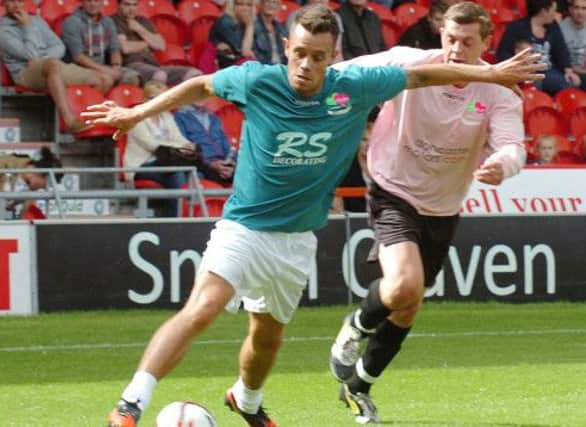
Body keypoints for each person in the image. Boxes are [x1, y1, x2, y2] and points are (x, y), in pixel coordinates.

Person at [82, 5, 543, 427]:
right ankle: (131, 403)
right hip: (244, 227)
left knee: (268, 342)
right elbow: (200, 85)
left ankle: (246, 399)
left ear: (332, 55)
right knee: (202, 308)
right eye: (299, 53)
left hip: (299, 239)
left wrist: (494, 81)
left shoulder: (354, 89)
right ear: (286, 48)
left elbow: (421, 79)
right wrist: (136, 112)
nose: (306, 65)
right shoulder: (259, 80)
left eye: (318, 56)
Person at [328, 2, 544, 424]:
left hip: (443, 206)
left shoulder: (499, 91)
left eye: (466, 41)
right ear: (439, 35)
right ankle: (356, 325)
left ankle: (358, 387)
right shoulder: (410, 63)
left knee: (408, 306)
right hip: (392, 188)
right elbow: (349, 72)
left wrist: (503, 165)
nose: (455, 49)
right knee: (405, 284)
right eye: (449, 38)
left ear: (487, 42)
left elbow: (512, 145)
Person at [0, 0, 102, 133]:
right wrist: (27, 26)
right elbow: (29, 54)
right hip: (24, 72)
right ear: (3, 4)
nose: (16, 5)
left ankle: (89, 122)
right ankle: (69, 121)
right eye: (12, 1)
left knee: (101, 79)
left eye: (20, 1)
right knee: (52, 64)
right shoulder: (3, 32)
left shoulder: (37, 20)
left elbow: (59, 46)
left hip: (52, 65)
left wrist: (42, 58)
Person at [124, 81, 199, 217]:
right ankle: (175, 218)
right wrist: (180, 147)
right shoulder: (135, 117)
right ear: (144, 99)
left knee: (194, 172)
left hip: (166, 162)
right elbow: (152, 144)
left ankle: (184, 215)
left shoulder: (167, 116)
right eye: (153, 98)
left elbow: (179, 138)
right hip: (142, 166)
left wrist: (188, 145)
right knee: (177, 174)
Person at [497, 0, 580, 95]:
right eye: (553, 11)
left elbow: (561, 50)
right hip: (526, 72)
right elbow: (503, 53)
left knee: (571, 84)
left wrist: (568, 70)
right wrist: (519, 68)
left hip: (549, 71)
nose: (555, 14)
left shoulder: (553, 26)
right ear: (544, 11)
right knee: (535, 84)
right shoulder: (516, 27)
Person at [112, 0, 201, 86]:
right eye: (127, 4)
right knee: (159, 75)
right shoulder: (113, 21)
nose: (131, 8)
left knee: (194, 74)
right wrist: (148, 43)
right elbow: (125, 48)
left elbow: (161, 46)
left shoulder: (143, 21)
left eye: (135, 5)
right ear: (118, 5)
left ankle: (188, 101)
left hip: (154, 65)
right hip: (132, 64)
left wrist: (139, 28)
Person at [62, 0, 139, 92]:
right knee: (106, 80)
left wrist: (116, 66)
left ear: (102, 2)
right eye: (89, 1)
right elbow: (78, 56)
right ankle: (97, 105)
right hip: (79, 68)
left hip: (103, 66)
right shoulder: (72, 22)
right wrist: (104, 69)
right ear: (82, 2)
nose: (93, 4)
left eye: (97, 1)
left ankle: (121, 104)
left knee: (133, 77)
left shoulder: (107, 22)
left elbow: (114, 48)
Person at [0, 147, 63, 220]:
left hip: (6, 217)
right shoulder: (6, 163)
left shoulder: (31, 191)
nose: (41, 189)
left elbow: (22, 217)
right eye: (44, 185)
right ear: (42, 174)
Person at [174, 102, 237, 185]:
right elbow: (185, 148)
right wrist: (210, 164)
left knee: (247, 173)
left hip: (222, 163)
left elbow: (226, 145)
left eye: (203, 94)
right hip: (201, 164)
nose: (201, 97)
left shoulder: (213, 117)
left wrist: (231, 163)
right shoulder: (180, 116)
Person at [208, 0, 256, 68]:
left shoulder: (243, 21)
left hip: (234, 66)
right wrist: (250, 25)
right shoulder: (225, 21)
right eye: (240, 4)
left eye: (249, 5)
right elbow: (246, 53)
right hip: (220, 67)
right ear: (232, 5)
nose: (245, 8)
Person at [560, 0, 586, 89]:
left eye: (584, 8)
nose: (580, 12)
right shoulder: (560, 28)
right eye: (577, 8)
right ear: (570, 9)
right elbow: (559, 60)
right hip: (567, 71)